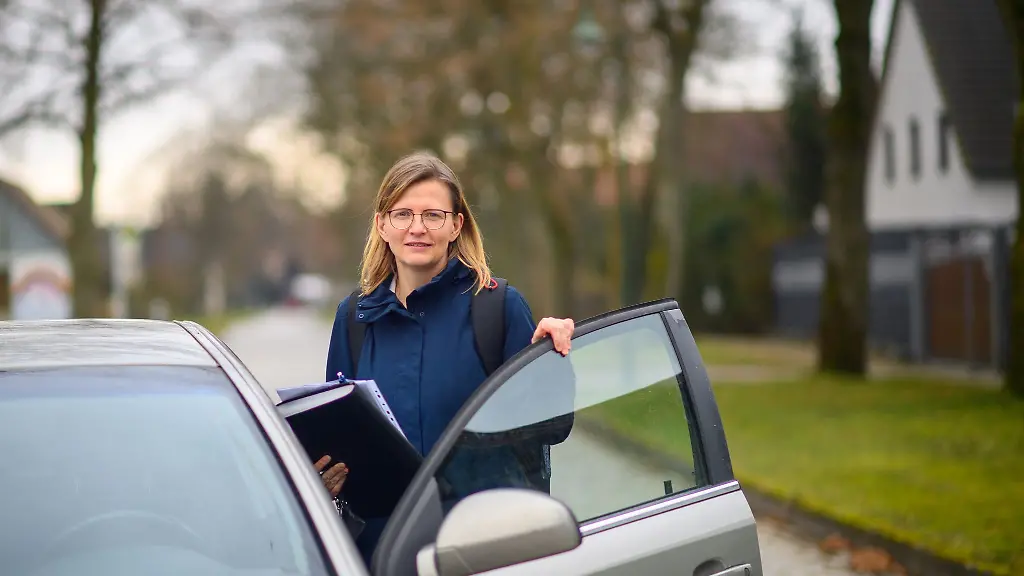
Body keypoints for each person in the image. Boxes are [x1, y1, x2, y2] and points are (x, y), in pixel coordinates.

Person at [320, 151, 575, 565]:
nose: (416, 228)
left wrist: (549, 359)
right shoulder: (353, 319)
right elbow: (337, 437)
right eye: (402, 214)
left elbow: (551, 425)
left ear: (456, 225)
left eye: (432, 215)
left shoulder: (497, 308)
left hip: (483, 550)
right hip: (385, 554)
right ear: (383, 225)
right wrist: (325, 476)